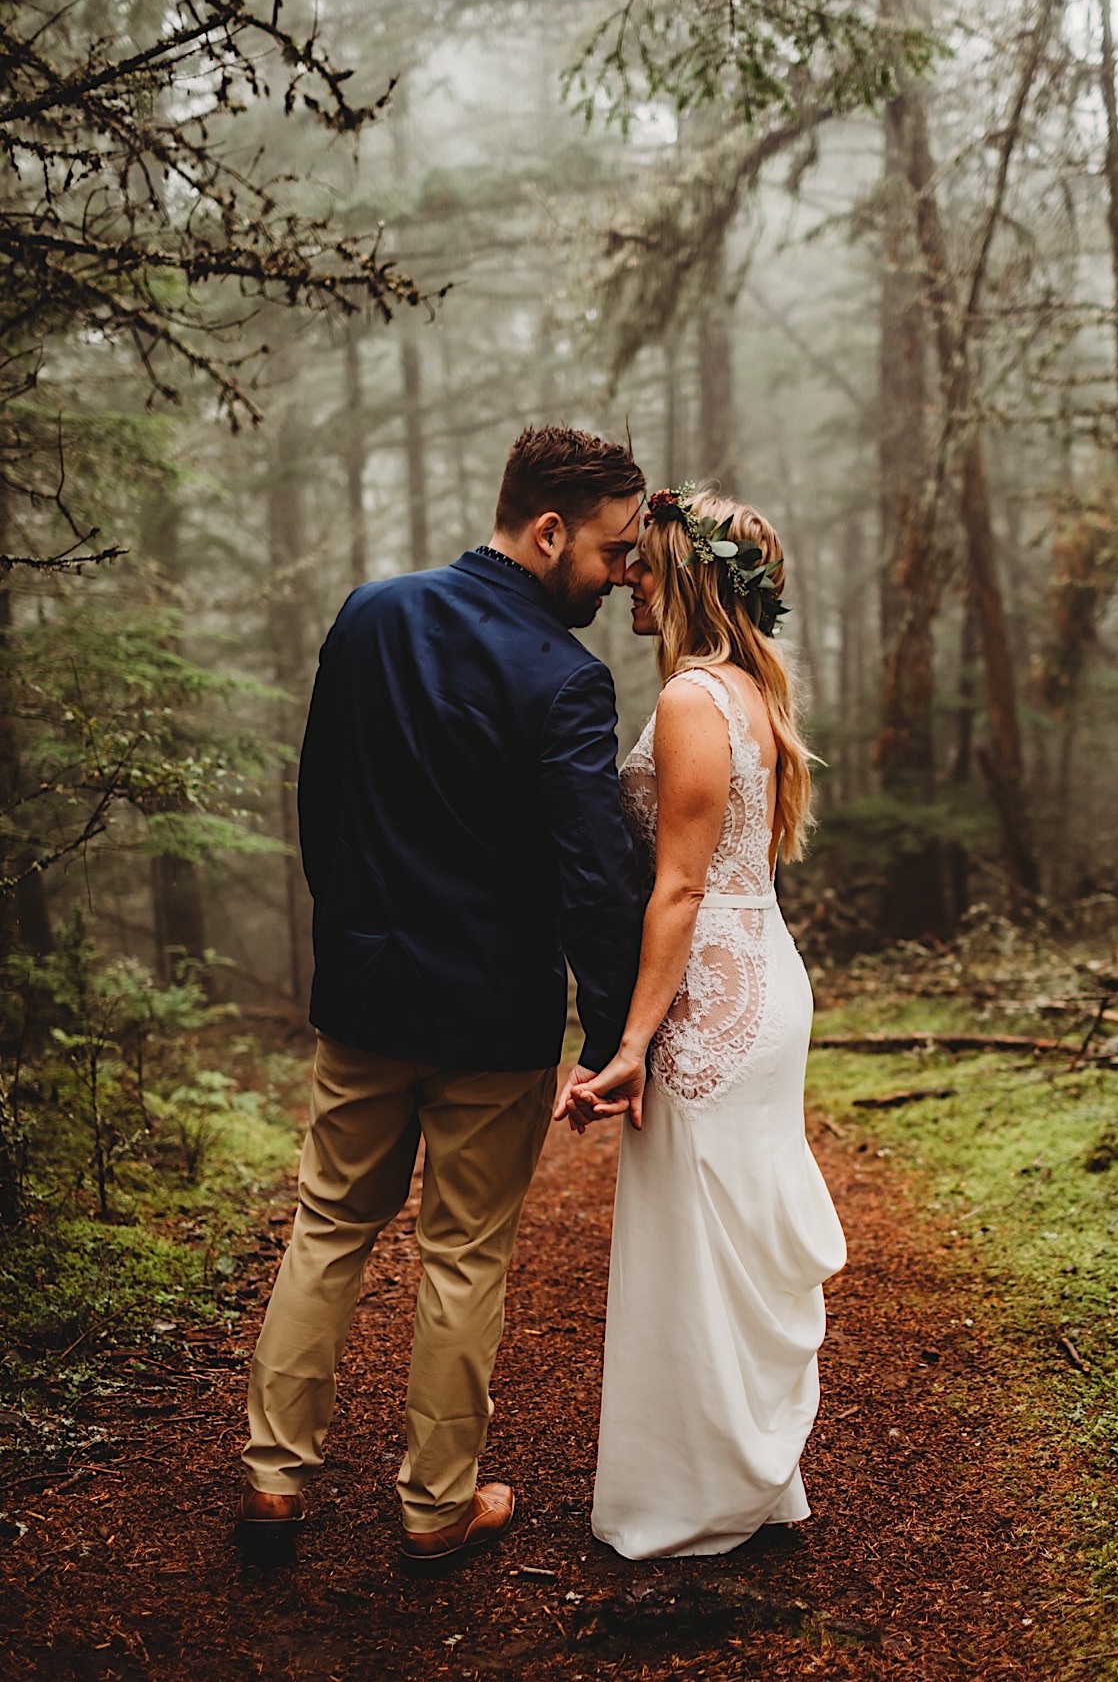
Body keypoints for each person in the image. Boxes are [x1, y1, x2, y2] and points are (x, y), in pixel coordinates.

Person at [237, 425, 644, 1560]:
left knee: (327, 1227)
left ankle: (273, 1483)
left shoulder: (370, 613)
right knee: (465, 1255)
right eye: (612, 552)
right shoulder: (565, 677)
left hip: (366, 993)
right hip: (491, 1018)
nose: (619, 578)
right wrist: (616, 1036)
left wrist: (355, 932)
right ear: (549, 528)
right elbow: (594, 875)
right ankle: (435, 1506)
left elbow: (318, 803)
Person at [556, 484, 847, 1561]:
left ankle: (694, 1498)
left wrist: (627, 1044)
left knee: (696, 1238)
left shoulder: (690, 700)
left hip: (715, 1001)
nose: (628, 574)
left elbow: (676, 890)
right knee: (717, 1241)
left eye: (646, 562)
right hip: (759, 972)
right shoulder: (748, 691)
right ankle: (746, 1478)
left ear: (688, 575)